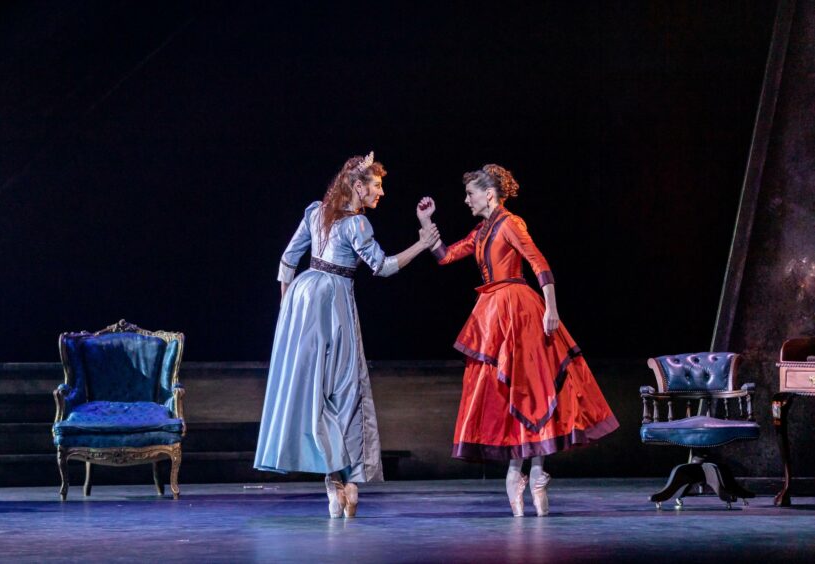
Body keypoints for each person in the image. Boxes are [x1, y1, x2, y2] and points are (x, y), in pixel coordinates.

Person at [417, 164, 618, 517]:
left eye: (470, 194)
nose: (466, 200)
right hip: (493, 313)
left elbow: (539, 263)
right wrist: (425, 222)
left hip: (520, 309)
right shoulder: (482, 230)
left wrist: (551, 309)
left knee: (533, 387)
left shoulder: (511, 223)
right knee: (504, 391)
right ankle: (519, 470)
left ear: (489, 195)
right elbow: (446, 256)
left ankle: (536, 471)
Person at [255, 152, 440, 518]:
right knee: (344, 391)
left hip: (304, 300)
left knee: (315, 392)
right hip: (333, 303)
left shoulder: (315, 213)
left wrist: (287, 310)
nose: (381, 193)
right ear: (358, 187)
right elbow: (383, 268)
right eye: (377, 186)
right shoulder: (357, 225)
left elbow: (288, 261)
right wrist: (422, 244)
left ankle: (335, 481)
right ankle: (347, 479)